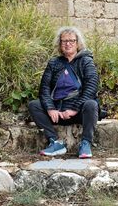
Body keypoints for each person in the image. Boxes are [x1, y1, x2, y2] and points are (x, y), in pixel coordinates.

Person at [28, 26, 99, 158]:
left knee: (91, 104)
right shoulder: (54, 63)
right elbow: (44, 89)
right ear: (59, 44)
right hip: (57, 111)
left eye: (71, 41)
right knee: (34, 105)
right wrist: (50, 108)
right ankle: (55, 142)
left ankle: (85, 143)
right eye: (64, 41)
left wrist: (74, 109)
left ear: (78, 43)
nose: (68, 44)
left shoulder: (86, 61)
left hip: (78, 112)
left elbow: (91, 87)